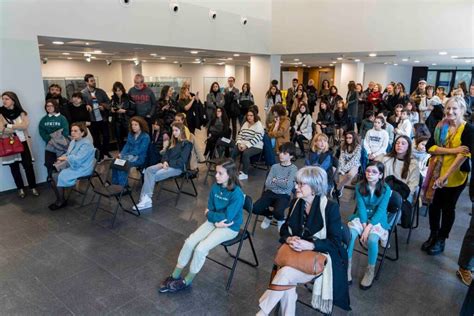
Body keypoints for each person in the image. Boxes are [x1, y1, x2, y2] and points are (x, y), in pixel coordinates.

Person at [257, 166, 351, 315]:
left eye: (301, 184)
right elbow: (284, 229)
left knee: (285, 274)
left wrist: (311, 244)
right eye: (297, 183)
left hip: (320, 257)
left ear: (314, 187)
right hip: (297, 254)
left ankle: (262, 313)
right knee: (286, 277)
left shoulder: (330, 208)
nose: (295, 187)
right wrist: (289, 238)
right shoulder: (296, 203)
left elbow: (335, 243)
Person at [158, 158, 244, 293]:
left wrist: (211, 215)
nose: (216, 176)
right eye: (216, 172)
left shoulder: (237, 194)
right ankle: (175, 274)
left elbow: (227, 218)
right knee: (190, 242)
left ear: (230, 175)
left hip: (230, 227)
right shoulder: (216, 186)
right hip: (215, 222)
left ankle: (188, 280)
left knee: (201, 248)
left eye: (220, 173)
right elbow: (208, 210)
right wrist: (214, 219)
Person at [422, 96, 473, 256]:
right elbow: (429, 147)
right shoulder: (440, 125)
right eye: (448, 108)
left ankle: (441, 239)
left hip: (455, 175)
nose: (450, 111)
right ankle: (433, 234)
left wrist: (444, 177)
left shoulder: (468, 129)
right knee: (434, 206)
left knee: (448, 208)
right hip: (436, 170)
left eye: (454, 109)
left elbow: (463, 155)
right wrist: (452, 150)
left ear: (462, 111)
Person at [346, 161, 392, 289]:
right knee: (349, 234)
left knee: (372, 239)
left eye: (374, 172)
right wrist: (364, 224)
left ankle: (370, 270)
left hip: (377, 218)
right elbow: (360, 207)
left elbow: (381, 210)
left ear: (381, 175)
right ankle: (347, 265)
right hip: (362, 217)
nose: (369, 174)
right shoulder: (360, 186)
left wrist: (368, 228)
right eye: (368, 171)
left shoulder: (386, 189)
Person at [133, 122, 193, 211]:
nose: (174, 132)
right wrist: (165, 161)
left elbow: (182, 161)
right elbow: (165, 155)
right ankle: (146, 200)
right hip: (167, 164)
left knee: (151, 176)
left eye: (176, 130)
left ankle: (145, 200)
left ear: (182, 131)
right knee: (148, 170)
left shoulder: (187, 144)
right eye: (173, 130)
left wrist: (168, 163)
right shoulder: (173, 142)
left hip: (177, 168)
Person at [0, 91, 39, 198]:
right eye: (3, 99)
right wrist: (16, 126)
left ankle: (33, 187)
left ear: (13, 100)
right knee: (14, 167)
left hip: (23, 142)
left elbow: (25, 126)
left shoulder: (22, 112)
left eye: (7, 99)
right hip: (9, 144)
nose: (4, 101)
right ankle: (20, 189)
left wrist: (9, 126)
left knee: (28, 166)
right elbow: (1, 130)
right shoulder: (0, 112)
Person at [48, 123, 95, 210]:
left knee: (55, 176)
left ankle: (60, 201)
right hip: (75, 165)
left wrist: (65, 158)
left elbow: (79, 159)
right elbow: (69, 153)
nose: (72, 133)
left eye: (75, 131)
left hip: (83, 168)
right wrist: (61, 158)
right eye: (72, 131)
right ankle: (60, 199)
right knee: (53, 177)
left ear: (82, 132)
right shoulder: (73, 142)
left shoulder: (86, 144)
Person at [253, 142, 298, 231]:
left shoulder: (293, 169)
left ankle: (280, 219)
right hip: (270, 192)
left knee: (278, 212)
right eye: (280, 152)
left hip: (284, 195)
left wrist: (275, 180)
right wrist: (283, 181)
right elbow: (268, 183)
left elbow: (288, 185)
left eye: (284, 153)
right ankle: (269, 215)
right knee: (255, 208)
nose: (281, 155)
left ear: (291, 156)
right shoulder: (274, 167)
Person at [111, 116, 150, 186]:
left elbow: (140, 150)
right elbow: (127, 146)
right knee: (115, 163)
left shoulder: (145, 136)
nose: (133, 126)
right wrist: (121, 154)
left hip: (139, 158)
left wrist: (125, 156)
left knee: (122, 164)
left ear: (141, 125)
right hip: (129, 156)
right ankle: (115, 184)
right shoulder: (131, 134)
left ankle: (123, 187)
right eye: (132, 124)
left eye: (136, 125)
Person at [81, 73, 111, 160]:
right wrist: (86, 106)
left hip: (102, 118)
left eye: (94, 80)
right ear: (86, 82)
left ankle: (105, 152)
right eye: (91, 81)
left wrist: (104, 106)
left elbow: (109, 102)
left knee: (106, 136)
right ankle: (99, 155)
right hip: (92, 120)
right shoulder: (83, 93)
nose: (94, 82)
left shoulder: (101, 91)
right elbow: (81, 104)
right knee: (96, 139)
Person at [38, 99, 70, 181]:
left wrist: (56, 140)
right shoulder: (44, 119)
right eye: (47, 106)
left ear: (55, 106)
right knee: (49, 163)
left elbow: (65, 132)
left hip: (61, 145)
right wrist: (48, 139)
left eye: (51, 105)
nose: (49, 107)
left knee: (61, 163)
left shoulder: (62, 118)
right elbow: (42, 131)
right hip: (49, 146)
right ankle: (51, 178)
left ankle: (64, 178)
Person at [380, 135, 420, 200]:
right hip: (385, 192)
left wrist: (401, 196)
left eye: (403, 143)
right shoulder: (386, 159)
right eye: (397, 143)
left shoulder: (413, 163)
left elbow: (413, 185)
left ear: (408, 147)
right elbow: (380, 177)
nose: (399, 145)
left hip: (403, 195)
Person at [231, 109, 264, 180]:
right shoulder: (245, 123)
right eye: (248, 115)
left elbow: (257, 138)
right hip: (242, 144)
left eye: (251, 115)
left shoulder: (258, 124)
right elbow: (240, 134)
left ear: (254, 116)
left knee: (246, 153)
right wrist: (239, 143)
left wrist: (246, 146)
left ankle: (245, 173)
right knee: (233, 151)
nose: (249, 117)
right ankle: (230, 169)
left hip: (256, 145)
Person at [110, 81, 136, 150]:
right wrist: (112, 110)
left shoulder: (128, 98)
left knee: (130, 138)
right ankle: (121, 153)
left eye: (119, 90)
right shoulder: (113, 99)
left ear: (122, 89)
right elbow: (110, 110)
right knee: (119, 139)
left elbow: (134, 111)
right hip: (117, 121)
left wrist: (125, 111)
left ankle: (131, 152)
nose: (118, 92)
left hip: (127, 121)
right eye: (116, 91)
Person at [335, 131, 361, 196]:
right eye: (347, 138)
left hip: (354, 164)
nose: (348, 139)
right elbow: (342, 158)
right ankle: (338, 187)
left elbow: (354, 160)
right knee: (336, 171)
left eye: (350, 138)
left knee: (350, 175)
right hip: (344, 163)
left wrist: (344, 170)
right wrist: (342, 168)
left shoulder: (358, 147)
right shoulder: (343, 145)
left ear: (354, 138)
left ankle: (339, 187)